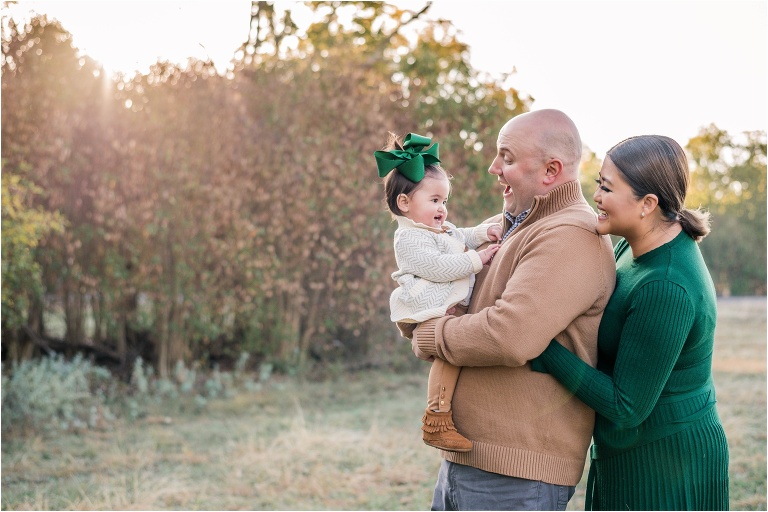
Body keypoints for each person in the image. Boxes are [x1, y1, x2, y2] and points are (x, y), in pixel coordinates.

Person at [410, 109, 616, 510]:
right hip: (471, 459)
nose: (493, 168)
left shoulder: (569, 234)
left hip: (517, 475)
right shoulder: (515, 225)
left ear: (550, 170)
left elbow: (509, 335)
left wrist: (431, 334)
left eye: (506, 156)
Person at [531, 135, 730, 510]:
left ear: (648, 204)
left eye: (607, 188)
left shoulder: (666, 285)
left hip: (667, 463)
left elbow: (626, 405)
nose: (598, 197)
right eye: (598, 184)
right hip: (627, 449)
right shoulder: (629, 245)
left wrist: (541, 348)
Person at [375, 132, 502, 453]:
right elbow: (437, 267)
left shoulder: (438, 229)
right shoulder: (408, 238)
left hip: (447, 308)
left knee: (455, 360)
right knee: (448, 359)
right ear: (404, 203)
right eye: (434, 201)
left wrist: (482, 233)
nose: (442, 209)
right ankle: (436, 420)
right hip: (429, 309)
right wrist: (478, 258)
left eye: (444, 201)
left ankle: (447, 414)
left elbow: (459, 236)